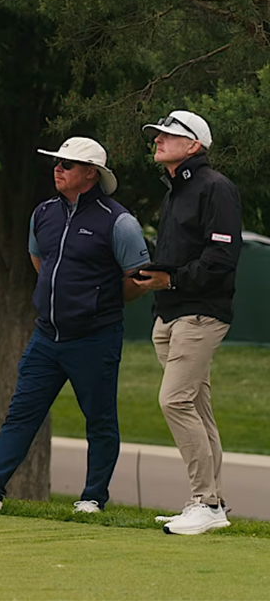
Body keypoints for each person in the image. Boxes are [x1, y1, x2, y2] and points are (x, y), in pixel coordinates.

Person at [0, 137, 149, 517]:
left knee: (100, 420)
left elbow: (137, 281)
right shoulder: (44, 214)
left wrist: (94, 302)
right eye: (57, 163)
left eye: (67, 164)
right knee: (21, 413)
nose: (58, 169)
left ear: (90, 173)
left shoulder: (119, 221)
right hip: (46, 337)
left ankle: (92, 499)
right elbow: (40, 262)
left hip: (95, 338)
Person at [133, 111, 241, 535]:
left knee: (174, 400)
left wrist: (172, 279)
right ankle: (212, 503)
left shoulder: (216, 188)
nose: (158, 140)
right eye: (157, 135)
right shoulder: (176, 190)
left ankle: (206, 502)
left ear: (194, 145)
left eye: (169, 135)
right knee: (196, 405)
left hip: (201, 312)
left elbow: (221, 259)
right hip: (171, 313)